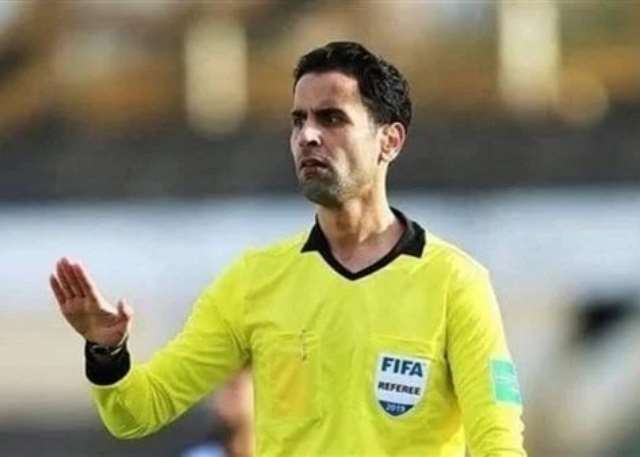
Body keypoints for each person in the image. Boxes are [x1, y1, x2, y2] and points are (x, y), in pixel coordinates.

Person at [50, 41, 527, 456]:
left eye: (332, 118)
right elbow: (136, 412)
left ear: (390, 140)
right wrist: (107, 350)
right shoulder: (254, 280)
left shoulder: (455, 282)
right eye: (299, 120)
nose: (308, 136)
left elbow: (498, 443)